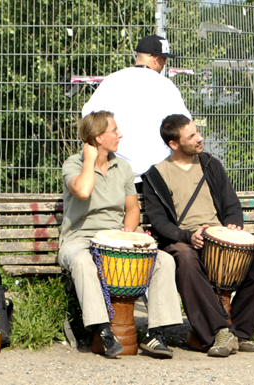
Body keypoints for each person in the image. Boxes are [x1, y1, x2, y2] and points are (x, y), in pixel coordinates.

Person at [141, 114, 254, 358]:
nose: (199, 138)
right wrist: (187, 236)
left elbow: (231, 205)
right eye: (191, 136)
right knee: (184, 259)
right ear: (174, 144)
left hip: (220, 238)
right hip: (185, 241)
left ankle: (240, 332)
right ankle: (218, 331)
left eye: (197, 132)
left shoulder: (210, 165)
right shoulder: (156, 175)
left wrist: (233, 226)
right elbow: (160, 222)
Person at [58, 111, 183, 358]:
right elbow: (82, 191)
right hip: (80, 240)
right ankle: (103, 331)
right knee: (84, 262)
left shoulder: (122, 166)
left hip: (115, 238)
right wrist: (89, 161)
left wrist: (128, 229)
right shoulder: (73, 164)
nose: (120, 134)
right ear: (97, 137)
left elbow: (133, 208)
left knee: (163, 260)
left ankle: (156, 334)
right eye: (114, 130)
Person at [82, 34, 191, 184]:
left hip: (115, 169)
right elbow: (184, 126)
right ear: (156, 58)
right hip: (156, 173)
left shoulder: (113, 80)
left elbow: (88, 116)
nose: (164, 64)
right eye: (164, 59)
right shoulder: (166, 86)